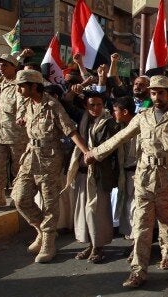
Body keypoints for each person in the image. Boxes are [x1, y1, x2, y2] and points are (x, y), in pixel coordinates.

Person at [84, 75, 168, 288]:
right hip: (144, 176)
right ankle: (138, 270)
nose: (157, 96)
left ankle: (167, 251)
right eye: (153, 93)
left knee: (166, 220)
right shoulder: (142, 116)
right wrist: (96, 153)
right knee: (142, 223)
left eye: (161, 92)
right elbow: (121, 137)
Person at [11, 69, 90, 263]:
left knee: (49, 202)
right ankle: (42, 230)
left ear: (33, 86)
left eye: (22, 85)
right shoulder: (27, 103)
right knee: (20, 197)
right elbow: (21, 118)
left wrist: (86, 152)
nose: (19, 89)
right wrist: (21, 121)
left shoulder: (53, 105)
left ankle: (48, 242)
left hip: (50, 158)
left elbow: (70, 131)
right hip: (30, 157)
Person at [65, 91, 119, 263]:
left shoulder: (109, 123)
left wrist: (93, 155)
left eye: (99, 105)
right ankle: (89, 244)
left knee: (98, 211)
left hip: (99, 173)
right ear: (85, 106)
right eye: (91, 105)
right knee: (83, 210)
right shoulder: (83, 118)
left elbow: (110, 147)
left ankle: (98, 247)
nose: (95, 108)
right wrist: (76, 89)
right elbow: (66, 103)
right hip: (82, 173)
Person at [0, 54, 28, 208]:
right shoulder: (2, 83)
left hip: (16, 135)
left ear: (14, 67)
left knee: (18, 168)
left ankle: (18, 195)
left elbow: (22, 106)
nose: (1, 68)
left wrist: (21, 117)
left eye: (5, 65)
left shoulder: (19, 85)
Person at [110, 96, 138, 240]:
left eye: (116, 111)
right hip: (124, 173)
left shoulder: (139, 127)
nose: (114, 113)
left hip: (136, 173)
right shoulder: (119, 127)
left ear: (125, 112)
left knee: (134, 207)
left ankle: (136, 240)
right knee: (126, 205)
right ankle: (130, 236)